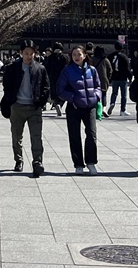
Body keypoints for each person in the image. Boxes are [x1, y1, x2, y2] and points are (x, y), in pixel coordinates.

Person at [0, 41, 50, 178]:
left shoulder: (40, 68)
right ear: (21, 53)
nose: (29, 56)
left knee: (36, 137)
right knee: (17, 136)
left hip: (34, 108)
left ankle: (37, 163)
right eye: (26, 53)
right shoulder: (13, 68)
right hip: (17, 107)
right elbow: (7, 86)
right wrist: (11, 100)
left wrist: (41, 102)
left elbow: (46, 87)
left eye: (31, 53)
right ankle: (18, 160)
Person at [57, 45, 102, 174]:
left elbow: (99, 86)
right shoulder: (67, 70)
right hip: (74, 107)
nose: (77, 57)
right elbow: (60, 90)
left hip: (90, 107)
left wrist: (96, 97)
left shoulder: (92, 70)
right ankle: (78, 164)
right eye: (74, 55)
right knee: (74, 135)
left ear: (84, 55)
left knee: (91, 135)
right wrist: (73, 98)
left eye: (79, 54)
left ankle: (91, 162)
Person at [44, 43, 68, 117]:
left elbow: (46, 68)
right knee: (64, 93)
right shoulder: (65, 57)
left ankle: (56, 104)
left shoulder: (50, 57)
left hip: (53, 78)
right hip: (63, 78)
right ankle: (60, 105)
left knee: (55, 94)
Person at [111, 43, 132, 116]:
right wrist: (130, 78)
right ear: (122, 48)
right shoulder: (124, 57)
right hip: (123, 78)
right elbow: (127, 68)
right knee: (124, 95)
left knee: (114, 93)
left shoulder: (111, 56)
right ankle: (122, 110)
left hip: (114, 77)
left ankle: (112, 103)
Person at [92, 44, 112, 114]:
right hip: (104, 79)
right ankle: (104, 108)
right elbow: (110, 70)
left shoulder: (92, 59)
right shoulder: (105, 60)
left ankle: (97, 109)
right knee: (104, 94)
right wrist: (108, 79)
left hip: (94, 80)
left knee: (95, 95)